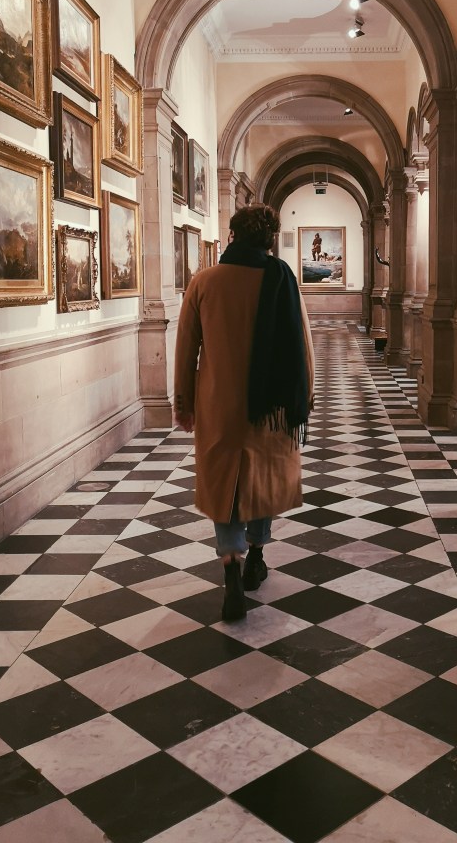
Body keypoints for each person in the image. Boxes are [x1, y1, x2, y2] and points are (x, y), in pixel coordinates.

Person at [174, 204, 314, 621]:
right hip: (271, 406)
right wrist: (303, 397)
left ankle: (230, 568)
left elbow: (186, 351)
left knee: (225, 487)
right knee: (262, 479)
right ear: (270, 239)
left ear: (232, 236)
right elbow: (303, 341)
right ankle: (257, 553)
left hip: (219, 405)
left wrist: (184, 403)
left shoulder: (205, 281)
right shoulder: (283, 278)